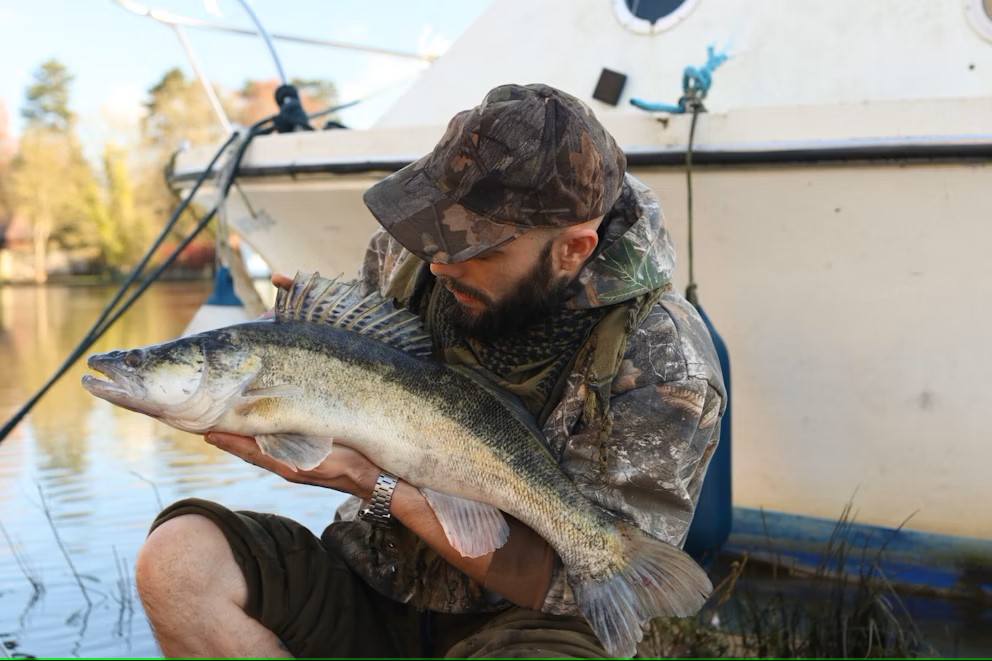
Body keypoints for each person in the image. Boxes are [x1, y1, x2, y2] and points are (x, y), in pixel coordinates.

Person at [134, 83, 727, 658]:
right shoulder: (413, 255)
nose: (443, 262)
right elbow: (345, 383)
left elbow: (574, 585)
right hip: (375, 575)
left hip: (527, 616)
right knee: (178, 561)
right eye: (438, 232)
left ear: (572, 248)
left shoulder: (664, 358)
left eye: (481, 248)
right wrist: (293, 341)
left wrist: (378, 485)